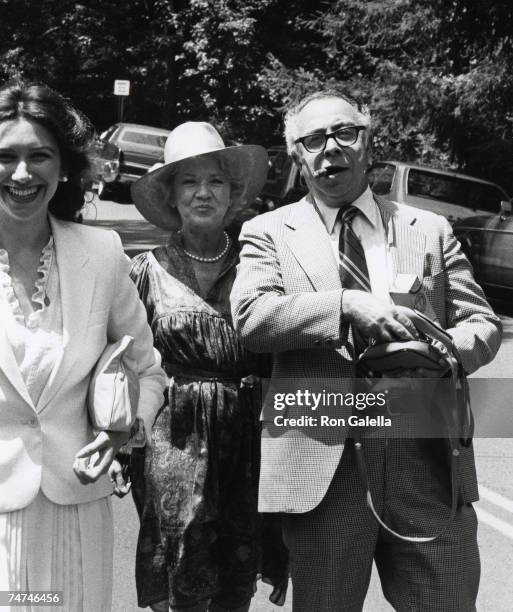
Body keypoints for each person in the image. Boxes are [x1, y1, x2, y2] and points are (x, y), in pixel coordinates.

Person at [230, 90, 502, 612]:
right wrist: (345, 305)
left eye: (344, 133)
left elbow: (482, 323)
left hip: (424, 459)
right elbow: (252, 318)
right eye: (313, 140)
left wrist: (443, 353)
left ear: (368, 142)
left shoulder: (428, 229)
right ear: (297, 157)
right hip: (323, 468)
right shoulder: (268, 233)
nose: (330, 149)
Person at [0, 79, 166, 611]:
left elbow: (150, 371)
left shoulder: (101, 252)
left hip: (76, 505)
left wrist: (123, 434)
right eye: (5, 156)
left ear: (64, 166)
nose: (22, 173)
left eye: (39, 156)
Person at [126, 122, 288, 612]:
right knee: (178, 579)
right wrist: (119, 442)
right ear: (171, 196)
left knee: (235, 583)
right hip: (168, 446)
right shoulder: (144, 270)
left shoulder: (260, 267)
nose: (203, 193)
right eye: (188, 182)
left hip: (246, 445)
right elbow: (123, 362)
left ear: (233, 194)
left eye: (215, 181)